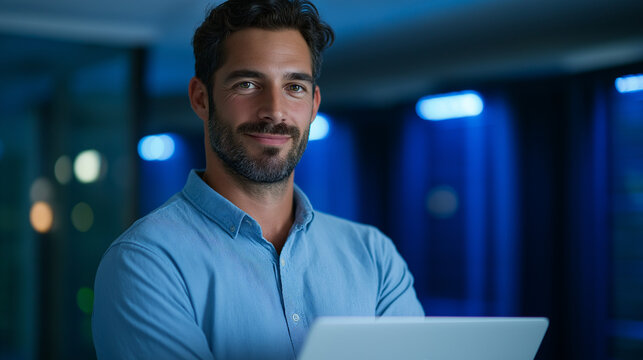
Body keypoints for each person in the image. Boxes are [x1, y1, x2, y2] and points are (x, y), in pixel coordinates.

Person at [92, 0, 424, 359]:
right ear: (201, 98)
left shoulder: (374, 256)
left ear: (313, 104)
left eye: (294, 87)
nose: (275, 111)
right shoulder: (145, 263)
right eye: (248, 84)